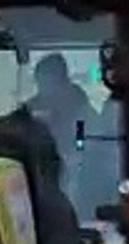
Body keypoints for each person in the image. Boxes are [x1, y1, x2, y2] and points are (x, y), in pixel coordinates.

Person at [24, 53, 98, 202]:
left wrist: (77, 152)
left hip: (76, 170)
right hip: (38, 168)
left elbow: (82, 134)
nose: (42, 86)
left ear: (61, 80)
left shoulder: (79, 105)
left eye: (46, 80)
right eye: (39, 81)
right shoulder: (32, 107)